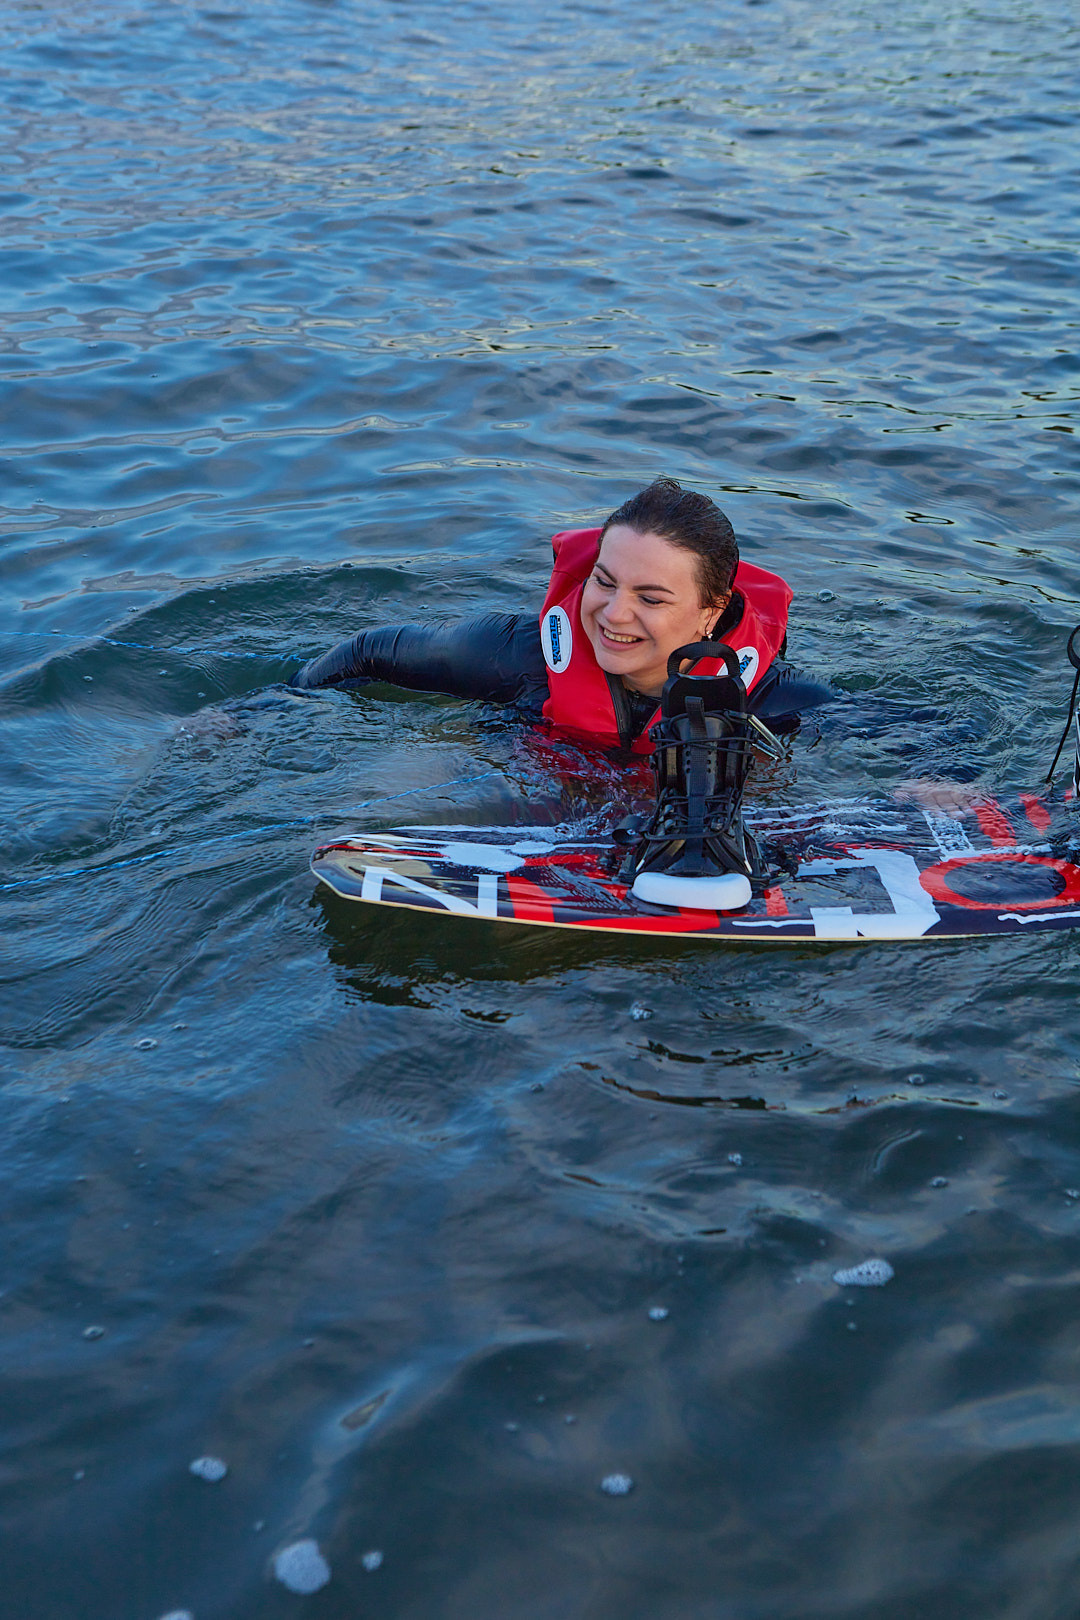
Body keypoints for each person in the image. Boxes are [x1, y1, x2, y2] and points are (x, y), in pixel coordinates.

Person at [290, 476, 833, 746]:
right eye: (604, 581)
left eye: (650, 598)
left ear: (710, 614)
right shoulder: (512, 653)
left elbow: (903, 735)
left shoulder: (774, 698)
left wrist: (922, 782)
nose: (614, 614)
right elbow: (367, 651)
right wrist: (262, 711)